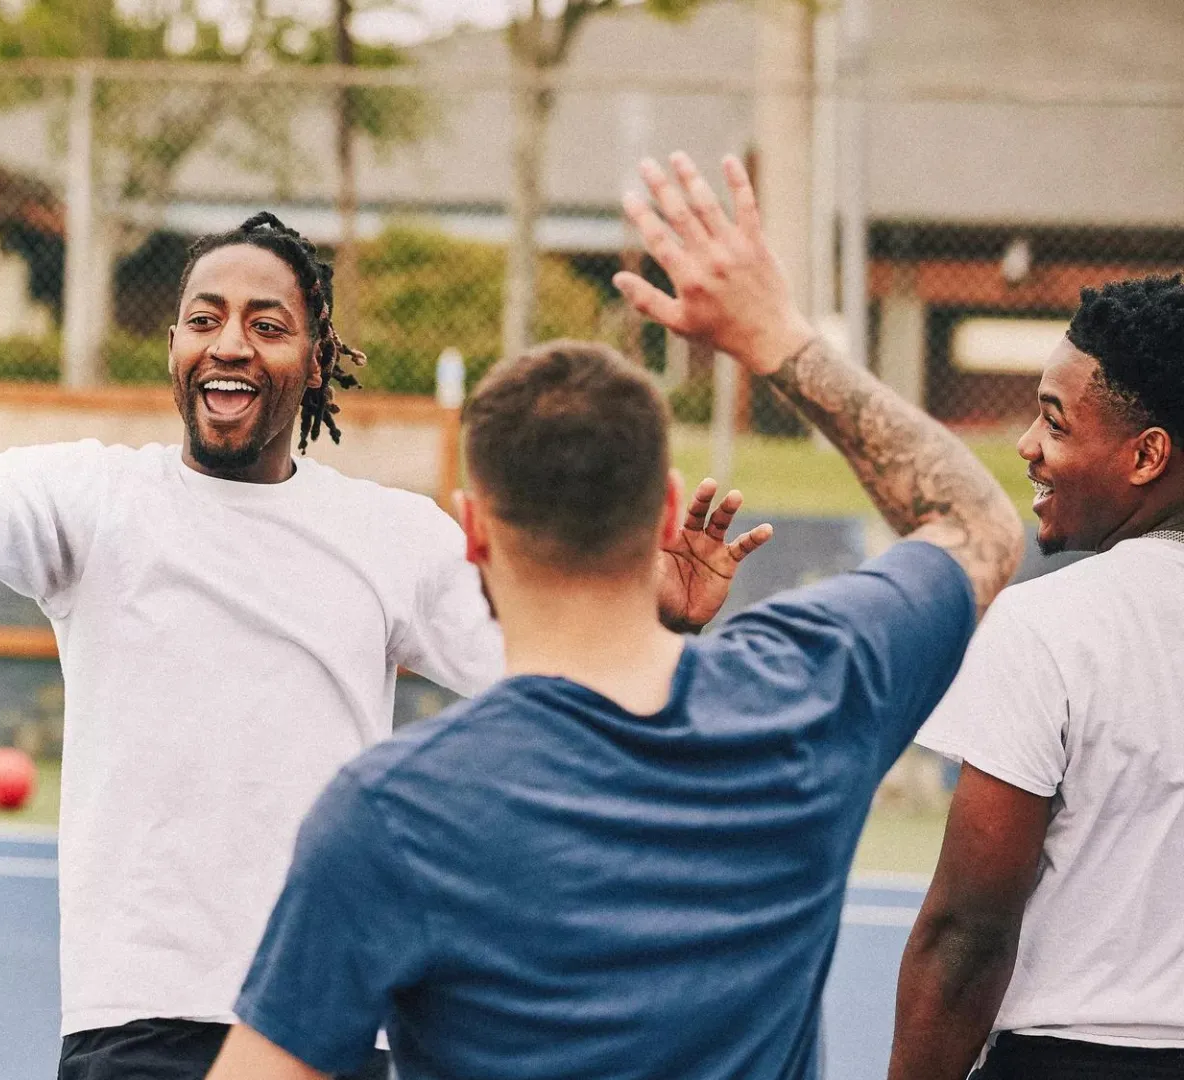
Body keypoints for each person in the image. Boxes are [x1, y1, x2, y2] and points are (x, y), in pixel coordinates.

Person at [0, 61, 773, 1080]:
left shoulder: (395, 534)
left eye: (268, 325)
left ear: (316, 359)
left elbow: (565, 692)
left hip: (331, 1021)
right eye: (204, 317)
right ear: (173, 344)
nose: (230, 344)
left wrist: (650, 617)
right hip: (135, 1020)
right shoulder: (91, 502)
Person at [202, 152, 1024, 1080]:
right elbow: (978, 523)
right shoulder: (806, 696)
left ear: (473, 531)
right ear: (670, 512)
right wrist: (777, 339)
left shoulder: (389, 813)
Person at [890, 275, 1184, 1080]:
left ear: (1147, 455)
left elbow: (966, 937)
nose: (1025, 444)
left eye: (1053, 420)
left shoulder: (1051, 626)